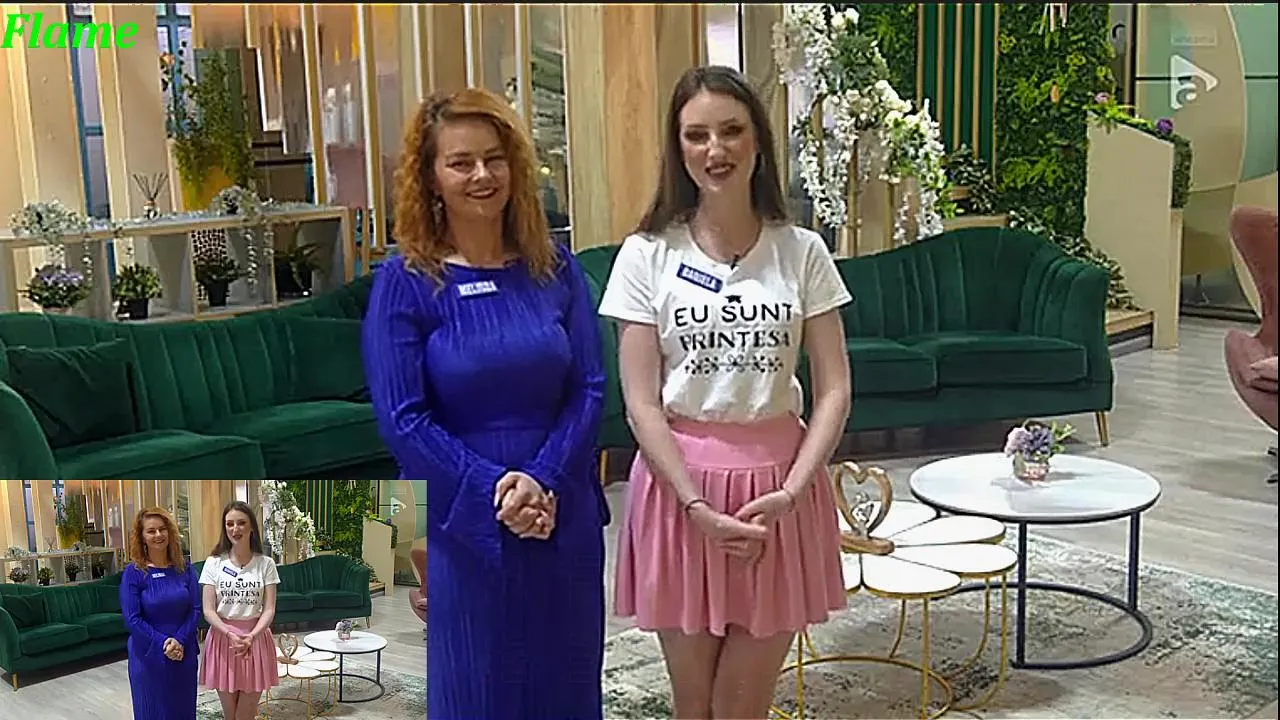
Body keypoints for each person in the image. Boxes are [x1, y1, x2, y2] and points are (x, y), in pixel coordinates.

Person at [599, 65, 853, 720]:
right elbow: (641, 402)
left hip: (780, 491)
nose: (716, 150)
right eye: (697, 135)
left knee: (743, 702)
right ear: (678, 148)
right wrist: (692, 502)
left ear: (758, 140)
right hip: (680, 492)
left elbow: (834, 389)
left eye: (732, 130)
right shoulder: (645, 255)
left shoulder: (802, 251)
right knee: (694, 703)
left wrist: (793, 491)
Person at [362, 86, 608, 720]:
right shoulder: (404, 281)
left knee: (565, 684)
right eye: (461, 162)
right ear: (430, 177)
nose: (481, 175)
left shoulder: (556, 269)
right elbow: (403, 419)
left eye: (495, 158)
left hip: (561, 509)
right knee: (477, 687)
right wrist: (496, 488)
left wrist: (543, 479)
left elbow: (589, 388)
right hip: (460, 521)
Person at [198, 501, 280, 720]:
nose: (235, 529)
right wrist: (229, 633)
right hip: (223, 640)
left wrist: (251, 636)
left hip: (256, 640)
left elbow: (269, 609)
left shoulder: (266, 564)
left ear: (251, 526)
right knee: (230, 714)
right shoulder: (213, 563)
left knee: (246, 712)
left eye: (241, 523)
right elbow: (208, 610)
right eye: (230, 524)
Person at [120, 507, 201, 720]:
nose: (158, 535)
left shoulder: (185, 568)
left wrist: (179, 640)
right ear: (142, 537)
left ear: (170, 532)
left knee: (183, 711)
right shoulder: (134, 573)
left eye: (162, 529)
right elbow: (132, 618)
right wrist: (164, 643)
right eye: (151, 531)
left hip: (183, 653)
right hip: (148, 656)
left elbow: (195, 610)